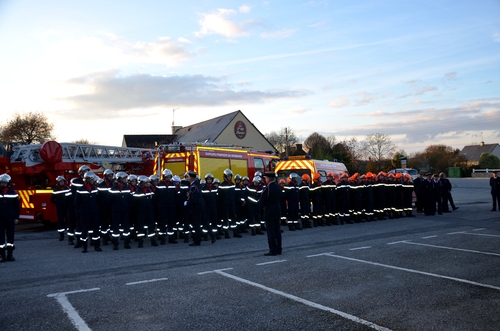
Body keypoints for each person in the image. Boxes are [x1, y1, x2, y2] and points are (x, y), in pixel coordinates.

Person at [74, 172, 101, 253]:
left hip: (94, 212)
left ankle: (96, 245)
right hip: (84, 213)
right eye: (92, 179)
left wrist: (96, 209)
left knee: (96, 229)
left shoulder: (95, 189)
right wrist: (80, 211)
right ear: (88, 179)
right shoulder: (80, 189)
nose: (93, 181)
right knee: (84, 230)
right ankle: (84, 247)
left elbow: (98, 200)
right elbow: (76, 203)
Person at [259, 172, 282, 256]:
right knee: (277, 231)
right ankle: (279, 249)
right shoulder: (278, 187)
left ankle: (273, 250)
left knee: (271, 231)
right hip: (277, 211)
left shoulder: (268, 188)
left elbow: (262, 201)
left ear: (268, 179)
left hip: (269, 212)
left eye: (266, 178)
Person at [109, 172, 132, 250]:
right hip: (116, 211)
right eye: (124, 178)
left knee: (126, 227)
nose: (125, 180)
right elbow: (109, 201)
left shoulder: (127, 188)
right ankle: (115, 244)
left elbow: (129, 200)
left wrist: (128, 207)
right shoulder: (112, 189)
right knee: (116, 228)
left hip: (125, 210)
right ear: (119, 179)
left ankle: (126, 243)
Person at [0, 174, 20, 262]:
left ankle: (10, 255)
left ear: (8, 183)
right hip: (0, 219)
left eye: (5, 182)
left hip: (10, 218)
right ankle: (2, 256)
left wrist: (16, 218)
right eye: (1, 182)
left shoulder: (14, 193)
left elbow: (17, 207)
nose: (3, 184)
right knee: (0, 238)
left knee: (10, 237)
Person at [50, 175, 72, 242]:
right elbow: (52, 200)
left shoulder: (67, 189)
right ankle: (61, 236)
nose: (62, 182)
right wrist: (57, 204)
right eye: (61, 181)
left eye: (63, 181)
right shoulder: (55, 190)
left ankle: (70, 236)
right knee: (60, 222)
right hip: (60, 209)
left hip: (67, 208)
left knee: (69, 222)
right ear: (58, 182)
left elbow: (71, 198)